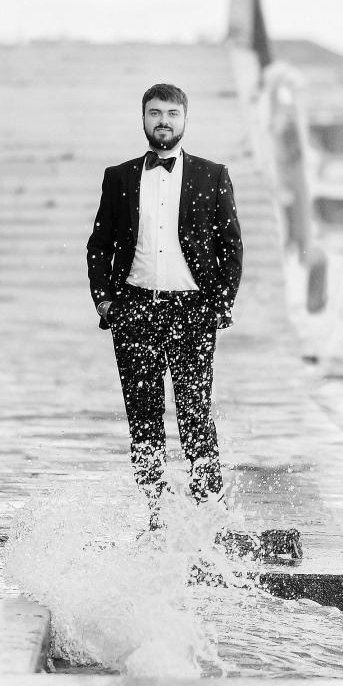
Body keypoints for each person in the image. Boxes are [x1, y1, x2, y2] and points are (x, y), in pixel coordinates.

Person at [86, 83, 243, 530]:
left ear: (185, 119)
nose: (163, 121)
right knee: (143, 417)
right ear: (143, 118)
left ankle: (209, 513)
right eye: (155, 112)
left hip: (192, 312)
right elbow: (99, 245)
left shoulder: (212, 175)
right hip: (134, 311)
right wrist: (106, 301)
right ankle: (157, 512)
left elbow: (231, 246)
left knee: (195, 413)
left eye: (172, 113)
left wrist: (220, 304)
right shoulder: (118, 178)